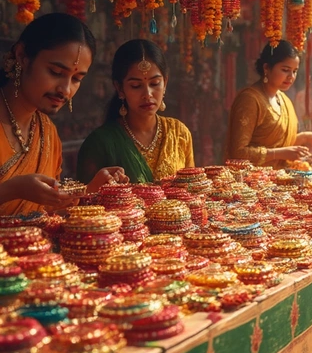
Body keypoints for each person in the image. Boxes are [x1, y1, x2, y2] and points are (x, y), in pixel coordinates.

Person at [0, 13, 127, 216]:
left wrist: (89, 190)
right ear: (22, 56)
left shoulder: (48, 133)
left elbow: (46, 215)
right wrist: (11, 190)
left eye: (76, 78)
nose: (66, 90)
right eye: (56, 72)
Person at [77, 40, 194, 184]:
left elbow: (193, 193)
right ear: (120, 88)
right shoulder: (100, 143)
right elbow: (83, 201)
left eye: (154, 84)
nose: (148, 94)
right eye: (136, 86)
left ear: (165, 83)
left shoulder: (179, 133)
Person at [225, 40, 312, 168]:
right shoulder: (250, 100)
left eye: (294, 71)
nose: (291, 77)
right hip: (251, 182)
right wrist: (279, 154)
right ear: (266, 68)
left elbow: (280, 145)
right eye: (285, 70)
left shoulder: (284, 100)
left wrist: (304, 138)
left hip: (280, 180)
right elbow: (238, 152)